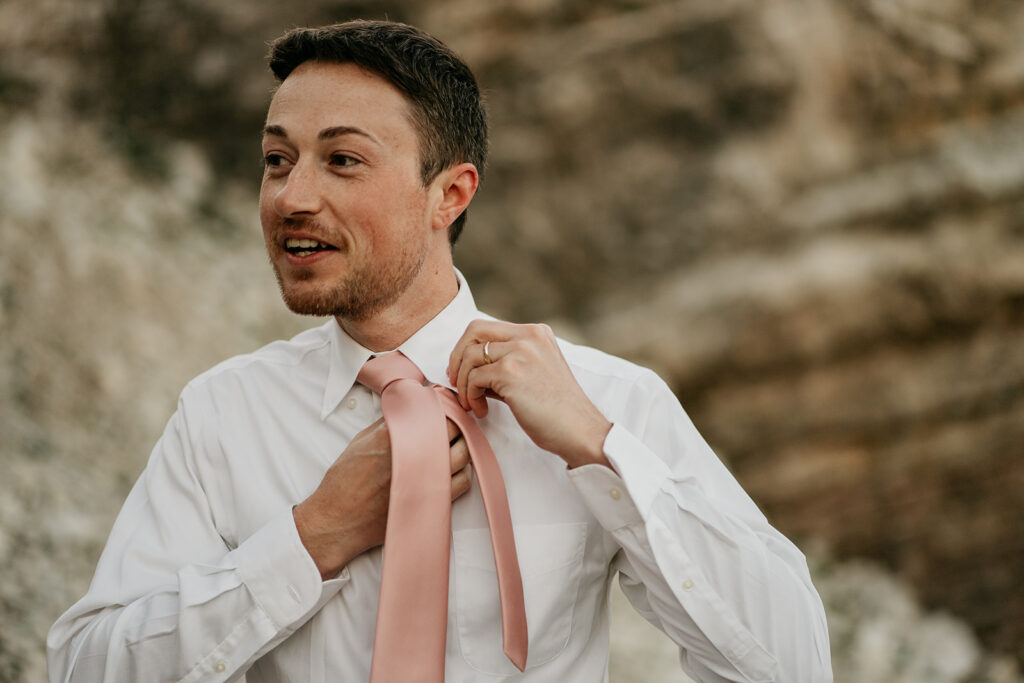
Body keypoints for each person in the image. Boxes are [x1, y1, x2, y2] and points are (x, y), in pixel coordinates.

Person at [47, 19, 832, 683]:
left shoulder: (609, 400)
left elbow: (792, 662)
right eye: (277, 160)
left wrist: (601, 451)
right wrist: (313, 535)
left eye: (342, 159)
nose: (291, 197)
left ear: (450, 195)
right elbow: (85, 664)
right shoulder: (223, 414)